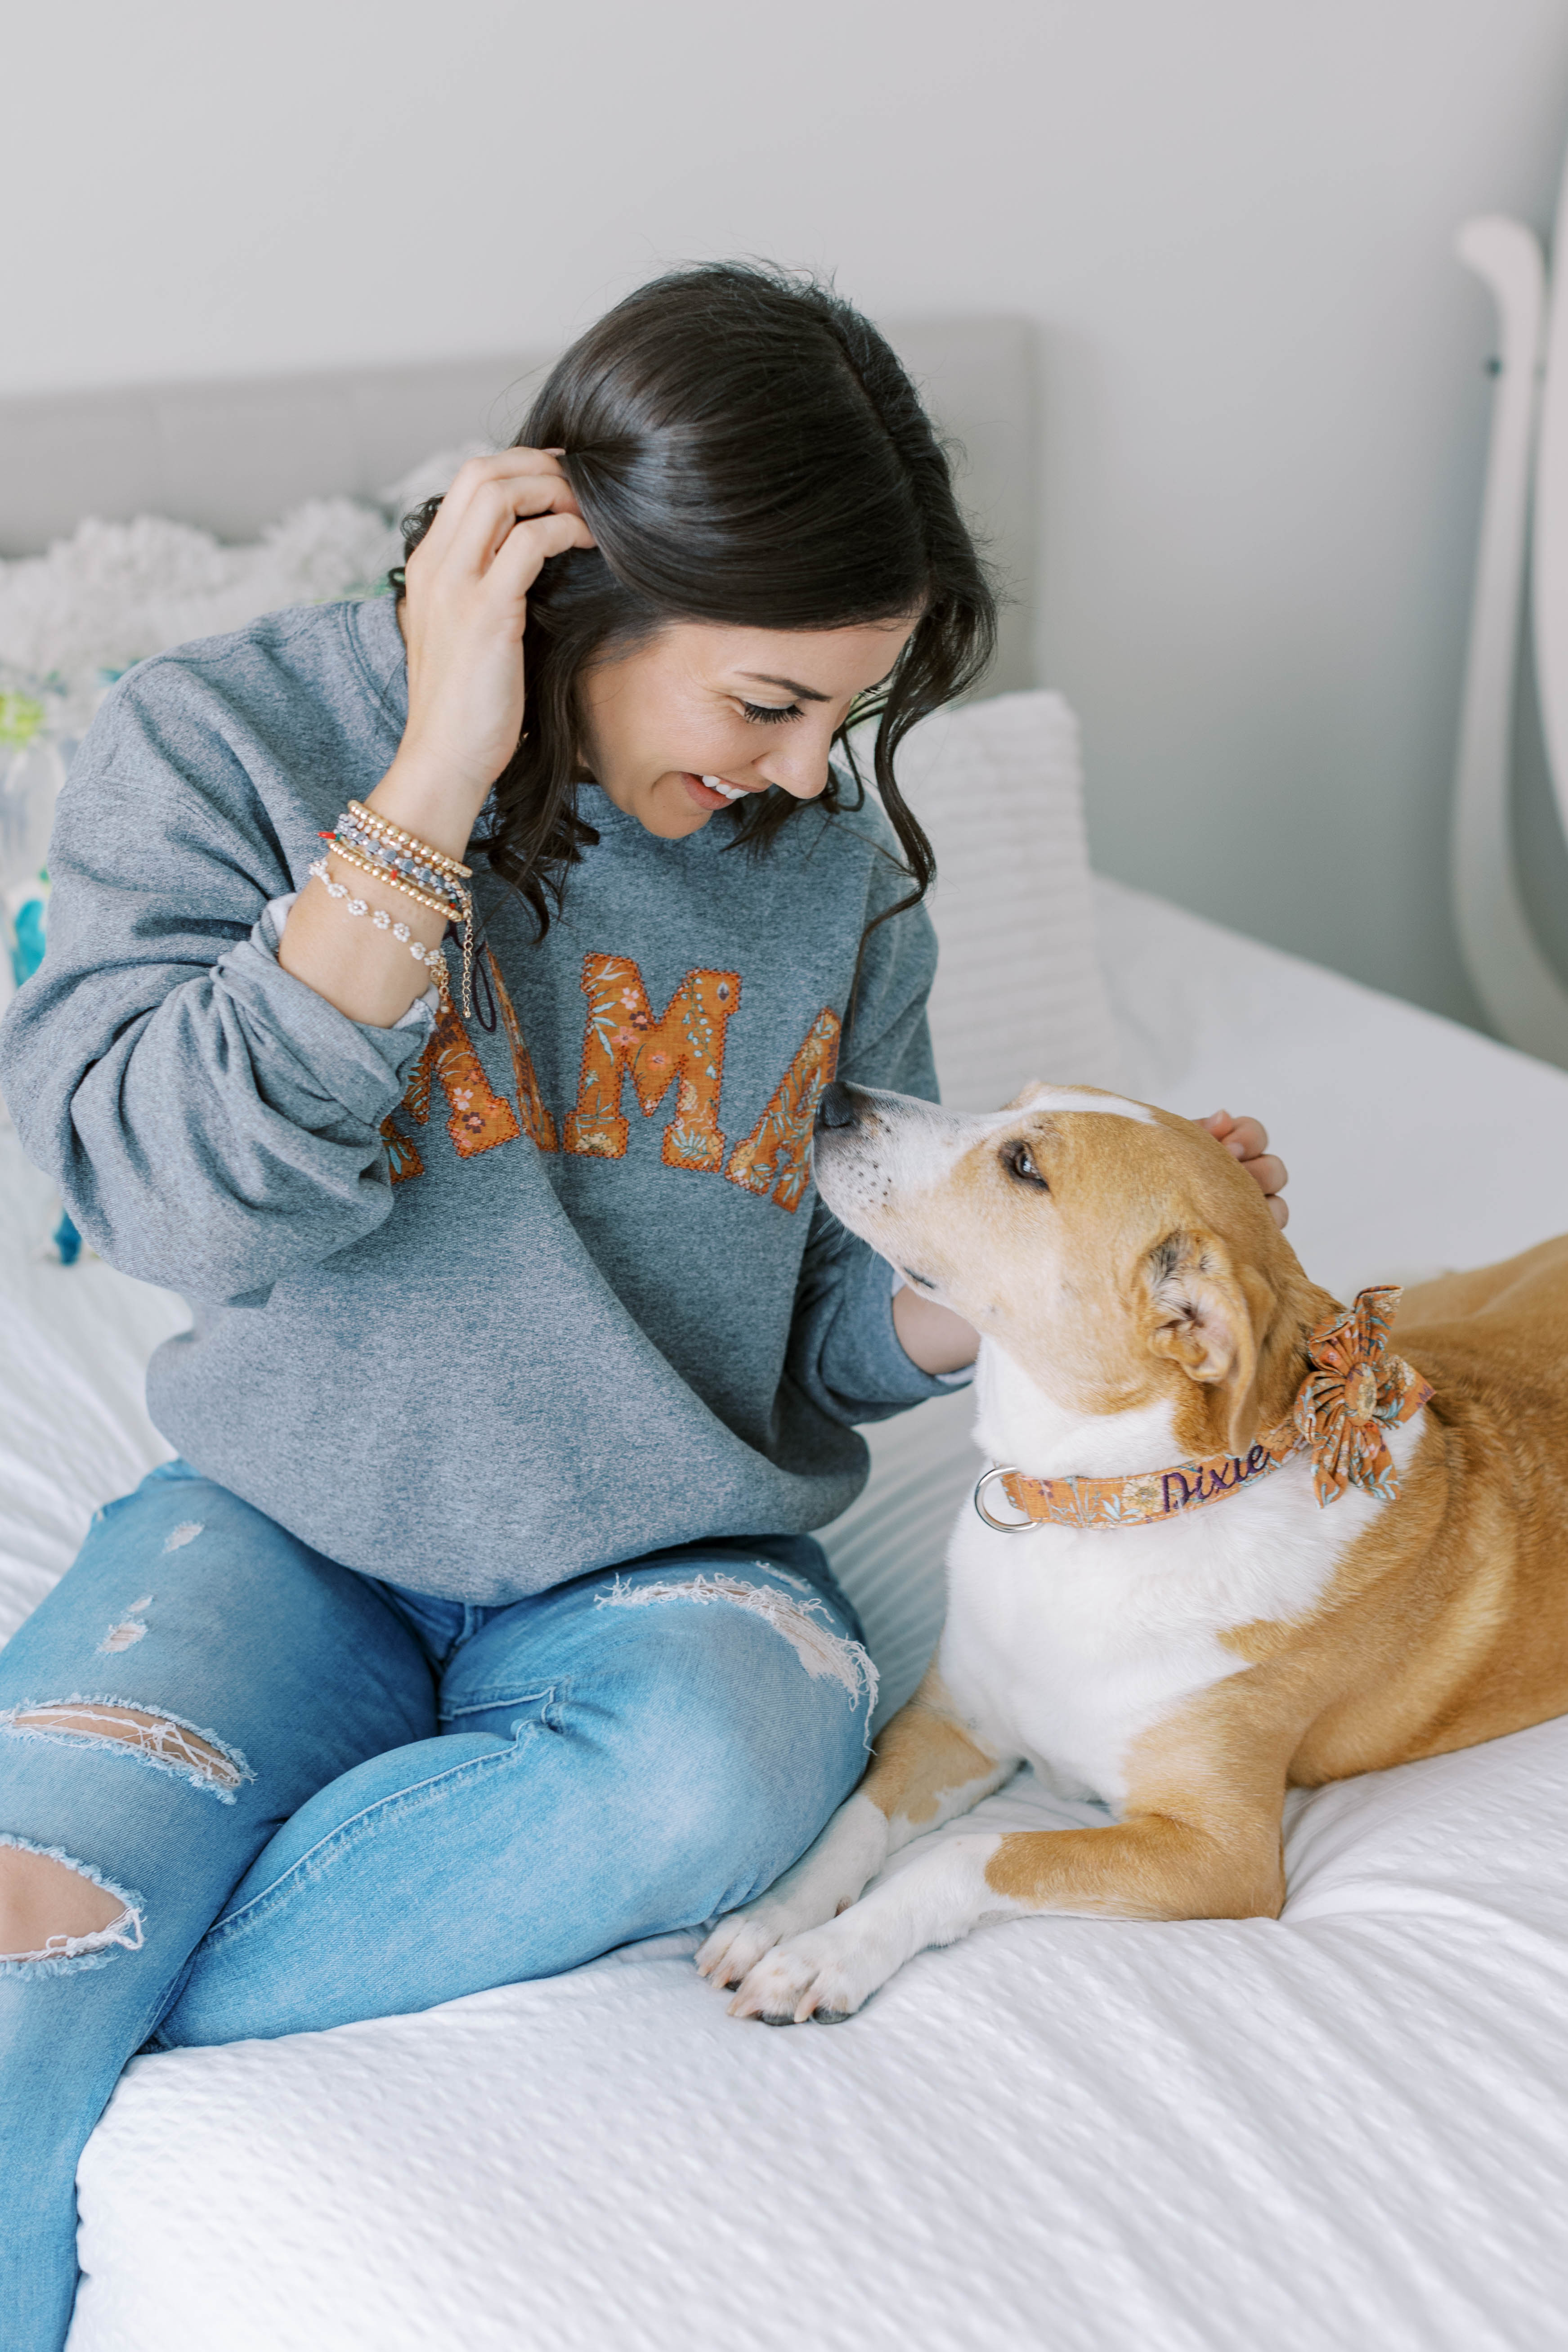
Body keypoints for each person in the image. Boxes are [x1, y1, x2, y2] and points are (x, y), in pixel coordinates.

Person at [0, 263, 1287, 2349]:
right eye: (764, 704)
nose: (802, 773)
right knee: (27, 1936)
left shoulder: (831, 875)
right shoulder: (222, 737)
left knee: (711, 1775)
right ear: (575, 581)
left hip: (665, 1572)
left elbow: (815, 1321)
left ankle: (130, 1994)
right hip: (281, 1525)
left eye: (843, 718)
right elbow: (180, 1207)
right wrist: (434, 776)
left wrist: (1003, 1299)